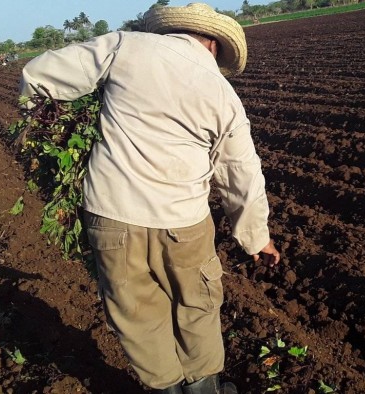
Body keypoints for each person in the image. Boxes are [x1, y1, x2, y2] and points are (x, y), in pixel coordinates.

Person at [19, 3, 280, 393]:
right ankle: (204, 389)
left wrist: (49, 127)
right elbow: (240, 174)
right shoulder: (223, 94)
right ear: (212, 45)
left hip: (110, 216)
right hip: (183, 221)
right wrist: (256, 238)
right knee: (197, 306)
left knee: (136, 313)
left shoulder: (124, 46)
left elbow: (39, 75)